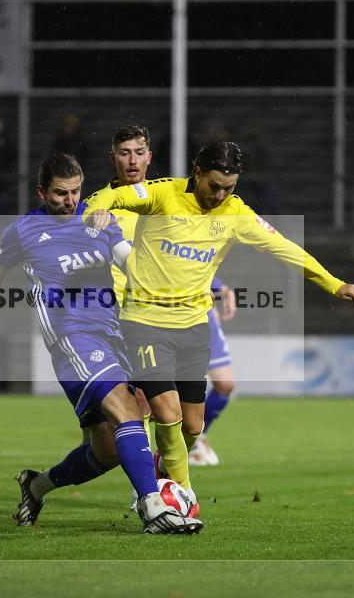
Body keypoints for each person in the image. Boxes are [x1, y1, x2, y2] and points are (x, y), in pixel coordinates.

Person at [83, 141, 354, 511]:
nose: (219, 195)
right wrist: (97, 212)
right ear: (197, 172)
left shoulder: (235, 214)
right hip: (144, 321)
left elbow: (283, 247)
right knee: (166, 414)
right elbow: (114, 196)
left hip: (193, 327)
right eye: (214, 185)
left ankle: (162, 469)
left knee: (192, 427)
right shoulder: (164, 193)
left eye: (229, 188)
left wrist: (335, 284)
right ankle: (183, 496)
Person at [0, 153, 202, 534]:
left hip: (115, 334)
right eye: (61, 193)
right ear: (41, 191)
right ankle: (153, 508)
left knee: (108, 451)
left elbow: (128, 260)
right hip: (71, 339)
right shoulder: (23, 230)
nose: (70, 200)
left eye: (76, 191)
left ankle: (37, 484)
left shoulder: (98, 219)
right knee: (129, 413)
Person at [104, 125, 237, 471]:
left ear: (149, 157)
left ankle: (170, 464)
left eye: (138, 153)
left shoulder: (166, 199)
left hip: (188, 310)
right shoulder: (105, 207)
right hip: (132, 314)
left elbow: (188, 249)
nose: (132, 161)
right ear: (113, 157)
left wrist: (218, 284)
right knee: (146, 404)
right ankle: (150, 488)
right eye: (124, 152)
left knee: (195, 403)